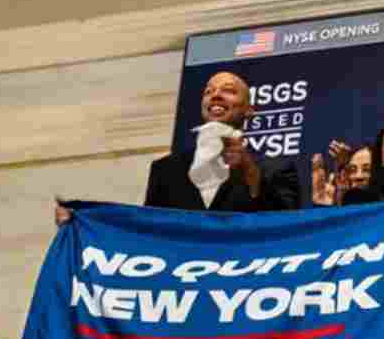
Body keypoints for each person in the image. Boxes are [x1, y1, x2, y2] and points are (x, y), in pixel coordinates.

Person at [55, 71, 300, 224]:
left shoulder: (277, 169)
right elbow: (149, 230)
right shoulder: (166, 170)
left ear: (249, 110)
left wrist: (250, 173)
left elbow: (288, 231)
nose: (215, 96)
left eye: (228, 91)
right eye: (209, 91)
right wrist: (84, 223)